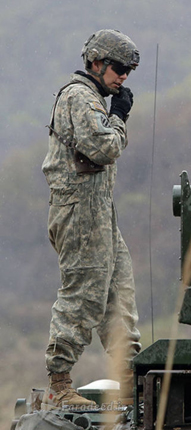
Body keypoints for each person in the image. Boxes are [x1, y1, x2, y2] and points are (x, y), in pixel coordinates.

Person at [41, 29, 141, 409]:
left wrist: (114, 113)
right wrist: (118, 118)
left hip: (99, 212)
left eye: (128, 71)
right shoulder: (79, 97)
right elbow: (103, 147)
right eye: (118, 69)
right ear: (96, 62)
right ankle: (59, 382)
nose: (122, 77)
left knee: (118, 296)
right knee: (83, 294)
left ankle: (130, 377)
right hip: (80, 214)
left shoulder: (91, 97)